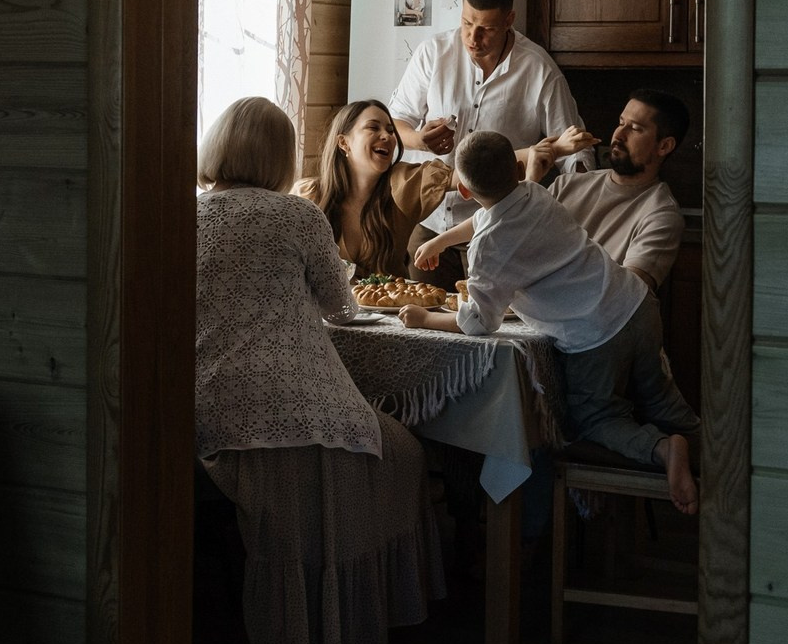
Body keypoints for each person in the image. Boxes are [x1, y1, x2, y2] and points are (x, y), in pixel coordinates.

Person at [195, 96, 444, 644]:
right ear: (280, 156)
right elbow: (340, 305)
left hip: (207, 404)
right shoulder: (295, 215)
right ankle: (363, 609)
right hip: (291, 402)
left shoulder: (187, 213)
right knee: (403, 451)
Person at [402, 130, 700, 515]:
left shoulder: (488, 247)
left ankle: (662, 448)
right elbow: (491, 214)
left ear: (462, 189)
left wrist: (427, 317)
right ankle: (719, 458)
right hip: (636, 305)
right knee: (660, 398)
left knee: (593, 420)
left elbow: (479, 322)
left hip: (594, 337)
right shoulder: (536, 193)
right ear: (516, 166)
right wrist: (441, 241)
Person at [389, 0, 597, 289]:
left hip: (500, 230)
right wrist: (421, 140)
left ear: (509, 19)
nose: (473, 38)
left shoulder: (539, 70)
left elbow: (575, 154)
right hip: (431, 223)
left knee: (495, 329)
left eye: (486, 29)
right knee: (426, 326)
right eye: (467, 23)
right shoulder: (433, 53)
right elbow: (395, 123)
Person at [294, 98, 596, 281]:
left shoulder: (404, 183)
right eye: (373, 128)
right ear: (344, 142)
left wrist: (554, 148)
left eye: (389, 129)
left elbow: (482, 165)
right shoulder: (309, 196)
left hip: (386, 323)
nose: (387, 136)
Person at [529, 89, 689, 293]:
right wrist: (530, 183)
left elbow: (625, 297)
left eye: (635, 129)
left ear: (664, 146)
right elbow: (517, 248)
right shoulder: (566, 186)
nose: (619, 135)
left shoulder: (661, 215)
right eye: (621, 123)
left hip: (591, 324)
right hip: (532, 315)